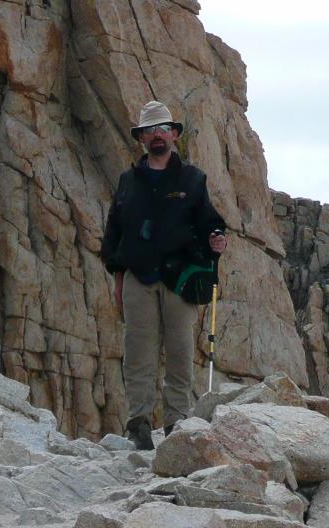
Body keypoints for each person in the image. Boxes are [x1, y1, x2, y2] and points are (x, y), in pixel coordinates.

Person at [101, 100, 227, 450]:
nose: (157, 135)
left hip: (179, 278)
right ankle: (138, 424)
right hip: (137, 277)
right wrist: (118, 277)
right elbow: (114, 232)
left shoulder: (192, 179)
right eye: (149, 130)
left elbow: (209, 221)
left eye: (162, 129)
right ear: (141, 138)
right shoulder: (129, 181)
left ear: (173, 134)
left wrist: (217, 238)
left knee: (180, 351)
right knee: (138, 352)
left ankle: (176, 423)